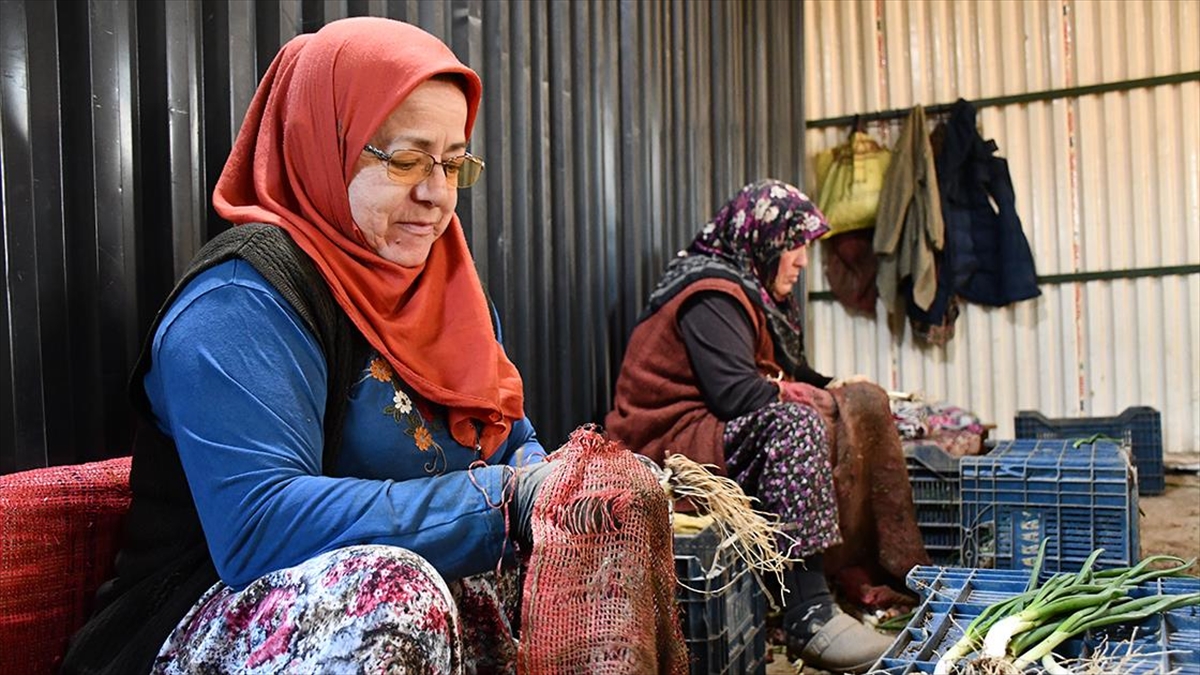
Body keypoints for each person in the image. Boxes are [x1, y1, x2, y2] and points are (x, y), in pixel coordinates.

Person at [63, 17, 556, 675]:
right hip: (198, 620)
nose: (436, 195)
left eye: (454, 164)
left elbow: (509, 438)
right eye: (407, 158)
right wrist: (504, 502)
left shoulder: (447, 292)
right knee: (396, 590)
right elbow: (260, 526)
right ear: (324, 141)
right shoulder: (244, 297)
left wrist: (560, 487)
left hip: (377, 613)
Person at [605, 179, 929, 674]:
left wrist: (837, 386)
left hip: (710, 427)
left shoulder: (754, 291)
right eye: (793, 247)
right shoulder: (710, 293)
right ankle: (808, 612)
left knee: (854, 403)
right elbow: (737, 394)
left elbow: (782, 371)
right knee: (795, 427)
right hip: (670, 438)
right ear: (762, 241)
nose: (801, 261)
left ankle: (855, 569)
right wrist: (810, 396)